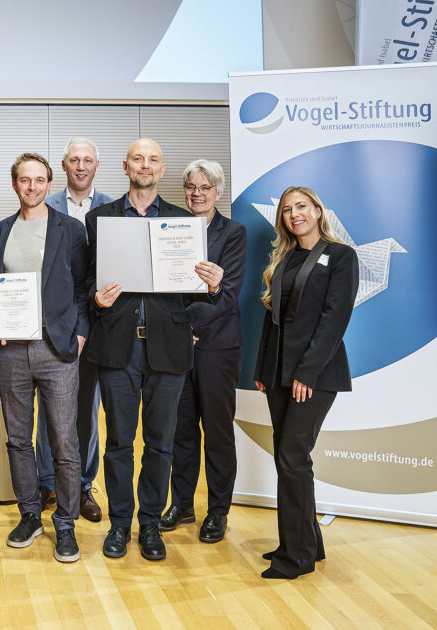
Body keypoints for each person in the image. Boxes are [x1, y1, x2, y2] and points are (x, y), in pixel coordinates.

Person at [84, 138, 224, 562]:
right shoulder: (98, 220)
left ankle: (149, 524)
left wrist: (212, 284)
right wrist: (96, 300)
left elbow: (199, 293)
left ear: (162, 171)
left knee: (161, 443)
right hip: (117, 348)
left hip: (168, 347)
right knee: (119, 443)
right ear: (126, 166)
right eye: (138, 159)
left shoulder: (186, 223)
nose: (145, 165)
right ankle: (120, 524)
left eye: (153, 160)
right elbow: (82, 284)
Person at [253, 186, 357, 580]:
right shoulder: (285, 257)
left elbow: (334, 320)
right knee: (289, 457)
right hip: (278, 373)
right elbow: (271, 318)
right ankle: (305, 542)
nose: (294, 214)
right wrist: (263, 370)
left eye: (301, 207)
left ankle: (296, 559)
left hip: (314, 375)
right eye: (286, 210)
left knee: (293, 458)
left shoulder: (341, 256)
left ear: (317, 210)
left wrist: (306, 374)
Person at [0, 152, 87, 564]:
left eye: (39, 180)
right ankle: (30, 512)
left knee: (63, 441)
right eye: (24, 180)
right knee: (18, 438)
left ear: (49, 184)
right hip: (11, 348)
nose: (32, 187)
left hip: (58, 348)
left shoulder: (71, 229)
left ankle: (65, 523)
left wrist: (82, 334)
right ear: (15, 185)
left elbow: (85, 287)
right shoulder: (1, 231)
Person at [159, 160, 247, 543]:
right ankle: (182, 504)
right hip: (178, 346)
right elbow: (162, 288)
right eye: (191, 186)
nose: (197, 193)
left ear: (218, 192)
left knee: (217, 431)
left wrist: (189, 324)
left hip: (217, 347)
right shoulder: (171, 228)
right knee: (180, 431)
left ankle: (218, 511)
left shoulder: (234, 233)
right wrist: (181, 327)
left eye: (205, 187)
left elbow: (228, 294)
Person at [37, 137, 114, 520]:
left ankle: (83, 486)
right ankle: (48, 483)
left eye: (88, 160)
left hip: (99, 324)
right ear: (63, 166)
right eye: (73, 160)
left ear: (97, 166)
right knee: (46, 410)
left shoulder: (113, 209)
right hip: (54, 326)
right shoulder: (43, 205)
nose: (81, 166)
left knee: (87, 407)